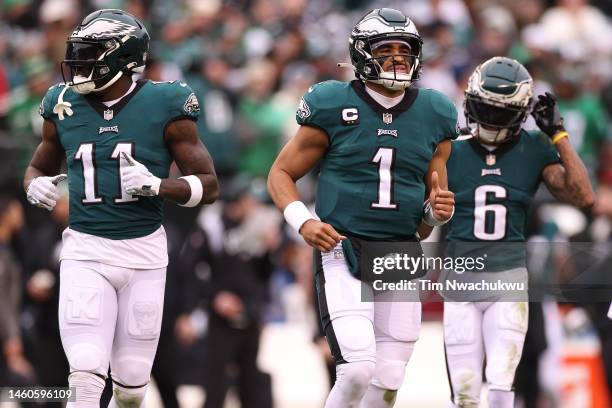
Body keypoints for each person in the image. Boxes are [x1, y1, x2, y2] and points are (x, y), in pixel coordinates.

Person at [23, 9, 218, 408]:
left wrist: (158, 186)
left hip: (145, 254)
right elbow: (38, 166)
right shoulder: (62, 103)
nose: (78, 62)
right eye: (77, 52)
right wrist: (34, 185)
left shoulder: (166, 102)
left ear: (122, 56)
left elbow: (210, 185)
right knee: (86, 370)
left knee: (132, 388)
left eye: (90, 53)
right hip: (85, 250)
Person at [268, 8, 457, 408]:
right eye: (385, 49)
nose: (396, 58)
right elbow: (281, 173)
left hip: (400, 252)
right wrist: (303, 221)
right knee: (356, 369)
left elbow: (425, 223)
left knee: (389, 377)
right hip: (344, 247)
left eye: (403, 50)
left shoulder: (435, 112)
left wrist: (435, 213)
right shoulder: (332, 103)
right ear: (360, 54)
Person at [442, 56, 594, 408]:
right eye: (486, 108)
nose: (491, 119)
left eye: (501, 111)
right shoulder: (449, 149)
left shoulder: (535, 149)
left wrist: (559, 136)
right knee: (464, 394)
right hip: (459, 279)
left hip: (507, 279)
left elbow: (583, 195)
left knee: (499, 386)